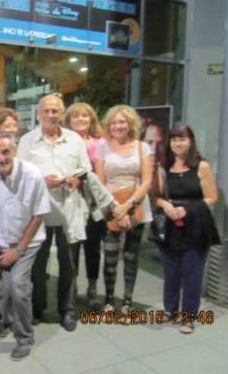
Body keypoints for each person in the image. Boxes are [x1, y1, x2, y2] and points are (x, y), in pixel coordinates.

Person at [17, 94, 91, 331]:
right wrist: (41, 181)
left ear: (62, 114)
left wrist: (75, 179)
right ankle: (37, 308)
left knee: (69, 263)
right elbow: (19, 175)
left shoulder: (74, 140)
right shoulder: (27, 141)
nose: (51, 115)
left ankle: (67, 310)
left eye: (55, 111)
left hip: (69, 210)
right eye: (46, 111)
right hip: (38, 212)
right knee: (37, 264)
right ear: (38, 113)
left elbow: (85, 169)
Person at [0, 131, 51, 361]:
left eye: (5, 152)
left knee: (18, 286)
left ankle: (24, 338)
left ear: (15, 151)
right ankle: (5, 321)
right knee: (4, 287)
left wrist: (17, 250)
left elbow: (37, 217)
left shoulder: (33, 175)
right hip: (2, 239)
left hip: (28, 241)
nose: (0, 158)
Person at [154, 123, 218, 334]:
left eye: (182, 139)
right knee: (171, 271)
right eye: (174, 139)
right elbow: (157, 197)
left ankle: (188, 317)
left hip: (196, 224)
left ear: (190, 141)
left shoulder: (201, 166)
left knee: (192, 272)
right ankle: (170, 310)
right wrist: (166, 206)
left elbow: (211, 197)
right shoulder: (163, 167)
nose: (178, 143)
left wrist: (187, 209)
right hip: (171, 224)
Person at [94, 105, 153, 315]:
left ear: (130, 124)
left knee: (131, 255)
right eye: (115, 122)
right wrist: (115, 208)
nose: (118, 126)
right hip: (111, 205)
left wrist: (128, 206)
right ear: (109, 125)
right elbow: (99, 182)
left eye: (123, 122)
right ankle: (109, 300)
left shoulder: (142, 147)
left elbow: (147, 181)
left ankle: (128, 302)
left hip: (136, 205)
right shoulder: (102, 147)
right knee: (109, 255)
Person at [63, 102, 105, 307]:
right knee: (72, 246)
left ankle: (92, 288)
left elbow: (101, 175)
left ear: (91, 119)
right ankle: (72, 288)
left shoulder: (100, 143)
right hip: (70, 200)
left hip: (94, 202)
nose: (81, 119)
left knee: (93, 247)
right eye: (76, 116)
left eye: (85, 116)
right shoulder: (64, 142)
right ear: (68, 121)